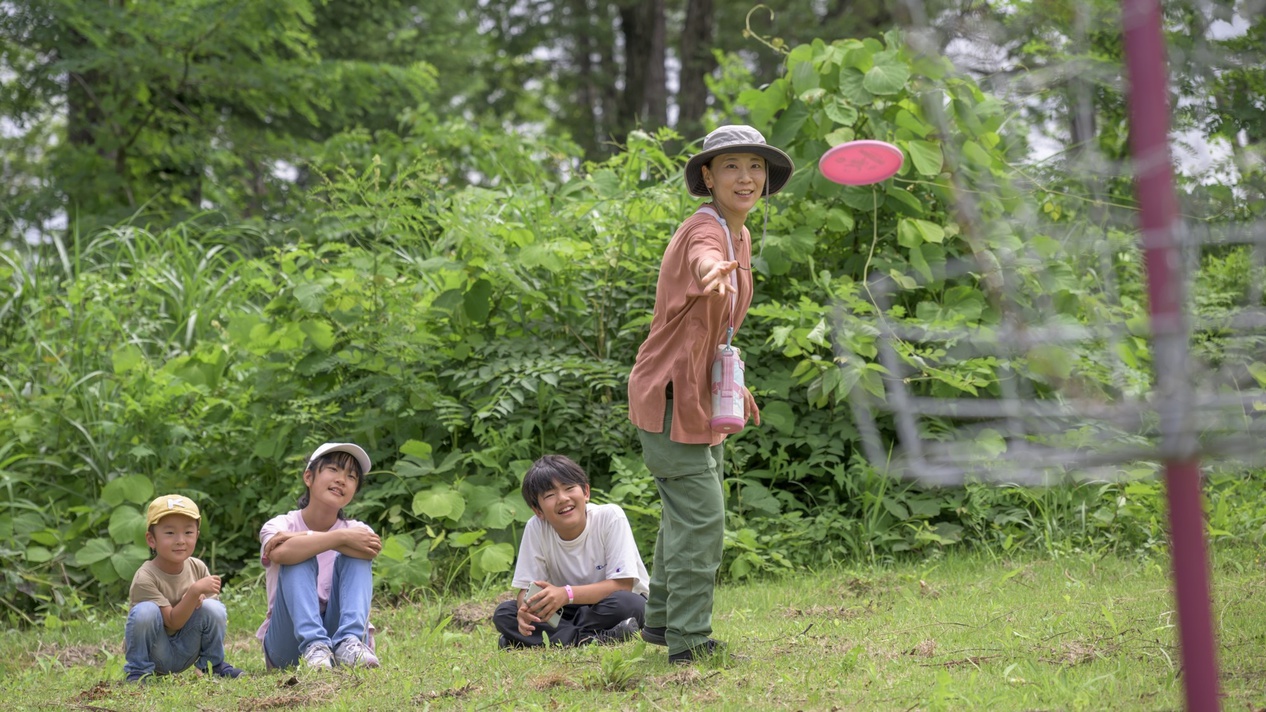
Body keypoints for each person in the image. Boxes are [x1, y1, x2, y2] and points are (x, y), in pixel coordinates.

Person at [626, 124, 794, 664]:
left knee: (683, 516)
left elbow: (712, 332)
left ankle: (662, 624)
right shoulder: (705, 230)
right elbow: (702, 258)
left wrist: (731, 384)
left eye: (755, 166)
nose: (746, 177)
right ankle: (690, 643)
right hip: (671, 395)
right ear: (708, 175)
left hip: (702, 396)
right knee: (703, 522)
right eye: (731, 165)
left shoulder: (739, 234)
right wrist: (708, 271)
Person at [492, 454, 650, 648]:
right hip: (565, 609)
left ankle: (539, 640)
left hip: (609, 603)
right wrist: (525, 609)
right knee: (505, 613)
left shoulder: (610, 517)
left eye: (569, 488)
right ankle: (592, 639)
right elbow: (526, 590)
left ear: (585, 492)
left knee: (630, 604)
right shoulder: (536, 527)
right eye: (550, 495)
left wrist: (566, 594)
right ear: (538, 510)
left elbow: (623, 585)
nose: (562, 499)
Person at [257, 442, 382, 670]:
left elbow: (369, 549)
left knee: (352, 552)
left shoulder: (358, 529)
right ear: (308, 477)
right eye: (333, 470)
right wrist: (339, 538)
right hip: (288, 644)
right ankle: (314, 645)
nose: (341, 479)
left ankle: (349, 642)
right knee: (299, 554)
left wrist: (313, 537)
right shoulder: (280, 524)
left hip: (339, 636)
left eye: (351, 476)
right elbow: (282, 553)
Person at [123, 494, 245, 682]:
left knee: (214, 608)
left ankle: (212, 666)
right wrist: (194, 592)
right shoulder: (145, 576)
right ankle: (138, 673)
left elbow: (212, 618)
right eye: (170, 533)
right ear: (151, 539)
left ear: (197, 535)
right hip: (157, 652)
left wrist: (202, 598)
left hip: (187, 648)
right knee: (145, 611)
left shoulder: (197, 567)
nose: (180, 540)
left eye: (188, 532)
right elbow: (172, 622)